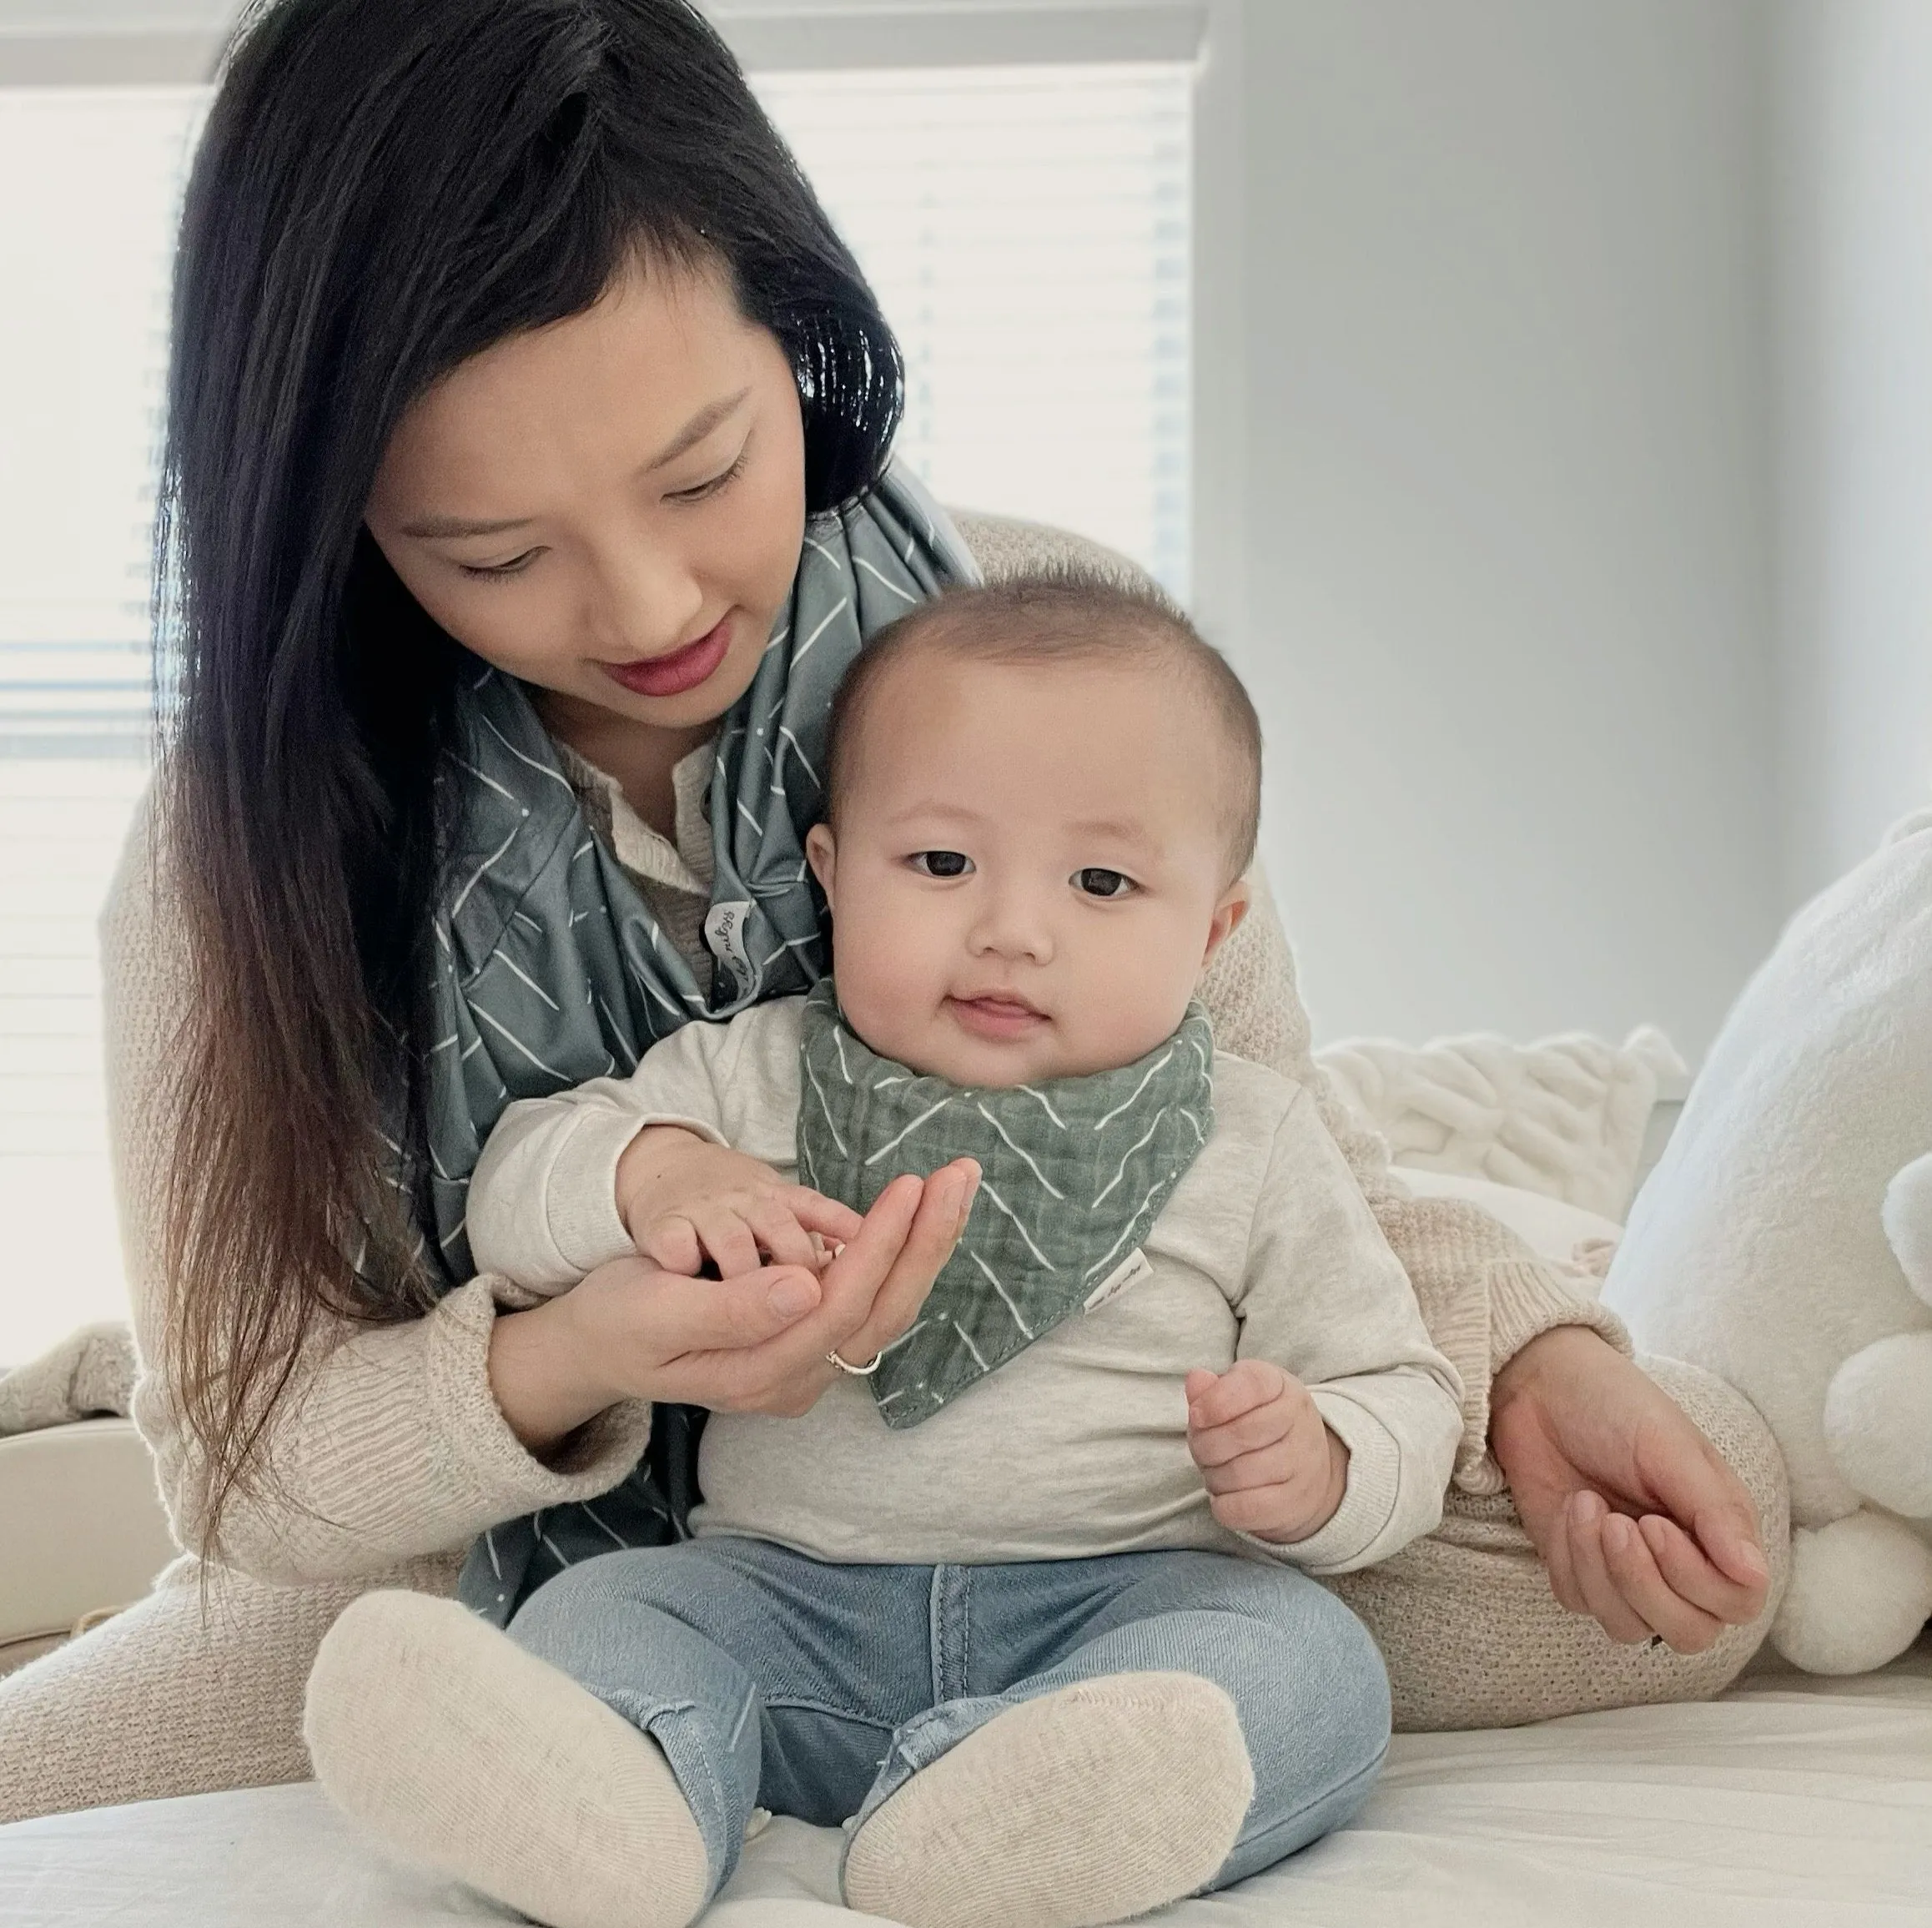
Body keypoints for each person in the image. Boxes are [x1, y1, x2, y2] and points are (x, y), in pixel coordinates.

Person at [0, 0, 1784, 1825]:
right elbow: (251, 1473)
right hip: (489, 1540)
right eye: (495, 554)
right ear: (337, 521)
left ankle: (1033, 1748)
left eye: (702, 470)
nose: (644, 603)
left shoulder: (1039, 627)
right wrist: (584, 1349)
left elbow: (1250, 1137)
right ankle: (653, 1724)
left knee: (1678, 1548)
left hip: (1078, 1498)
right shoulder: (240, 849)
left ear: (799, 320)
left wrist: (1533, 1358)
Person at [304, 574, 1467, 1928]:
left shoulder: (1254, 1138)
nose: (1011, 930)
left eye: (1101, 881)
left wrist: (1323, 1463)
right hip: (782, 1601)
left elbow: (1404, 1391)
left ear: (1213, 930)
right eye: (939, 864)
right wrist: (653, 1175)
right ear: (831, 874)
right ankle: (629, 1808)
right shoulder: (757, 1081)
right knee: (607, 1608)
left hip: (1125, 1605)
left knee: (1315, 1665)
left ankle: (1018, 1812)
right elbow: (509, 1186)